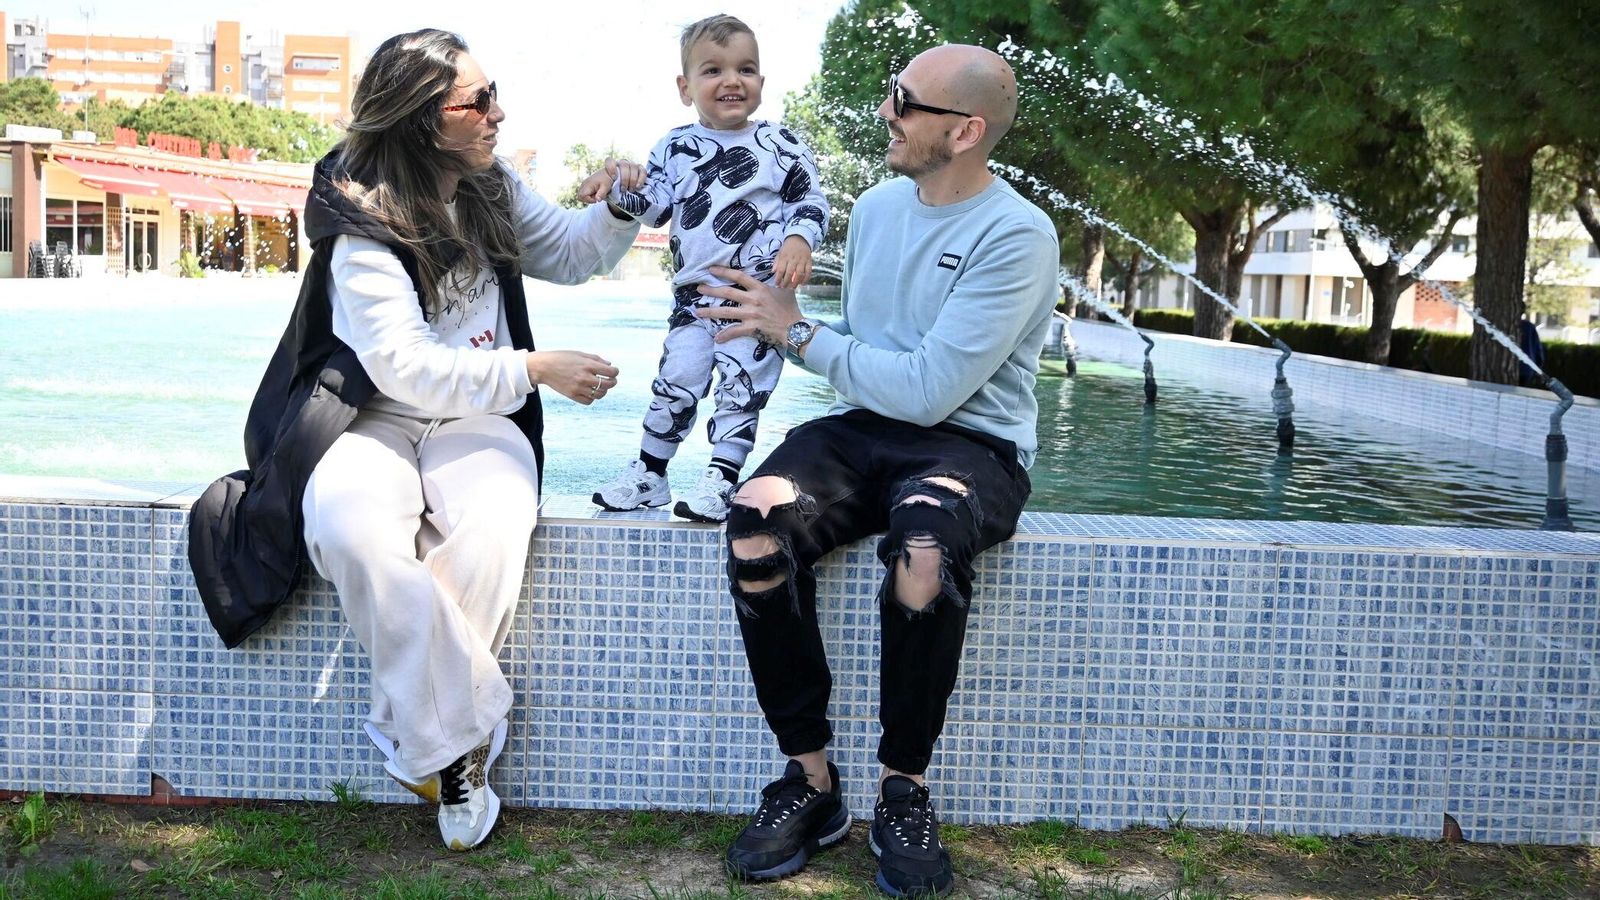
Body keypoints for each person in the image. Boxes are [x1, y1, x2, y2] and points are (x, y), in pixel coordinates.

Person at [187, 29, 642, 851]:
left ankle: (426, 748)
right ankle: (460, 749)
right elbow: (400, 365)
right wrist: (534, 368)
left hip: (477, 417)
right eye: (478, 101)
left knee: (495, 524)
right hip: (370, 411)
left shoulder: (491, 182)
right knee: (350, 528)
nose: (498, 112)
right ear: (422, 120)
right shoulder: (355, 209)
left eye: (493, 91)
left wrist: (618, 208)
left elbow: (571, 254)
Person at [703, 45, 1060, 896]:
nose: (886, 112)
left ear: (966, 130)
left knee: (925, 546)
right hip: (866, 430)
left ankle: (904, 787)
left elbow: (934, 390)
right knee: (755, 516)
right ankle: (810, 782)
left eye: (905, 101)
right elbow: (870, 362)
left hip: (970, 443)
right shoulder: (879, 209)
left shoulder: (1018, 234)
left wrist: (792, 331)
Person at [582, 13, 828, 523]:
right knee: (676, 380)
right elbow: (653, 205)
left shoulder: (781, 146)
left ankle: (722, 478)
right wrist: (617, 182)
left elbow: (810, 200)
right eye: (713, 70)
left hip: (755, 302)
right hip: (693, 304)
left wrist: (799, 240)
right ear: (685, 86)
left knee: (742, 390)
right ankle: (650, 473)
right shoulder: (674, 147)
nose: (732, 80)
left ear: (762, 80)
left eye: (746, 68)